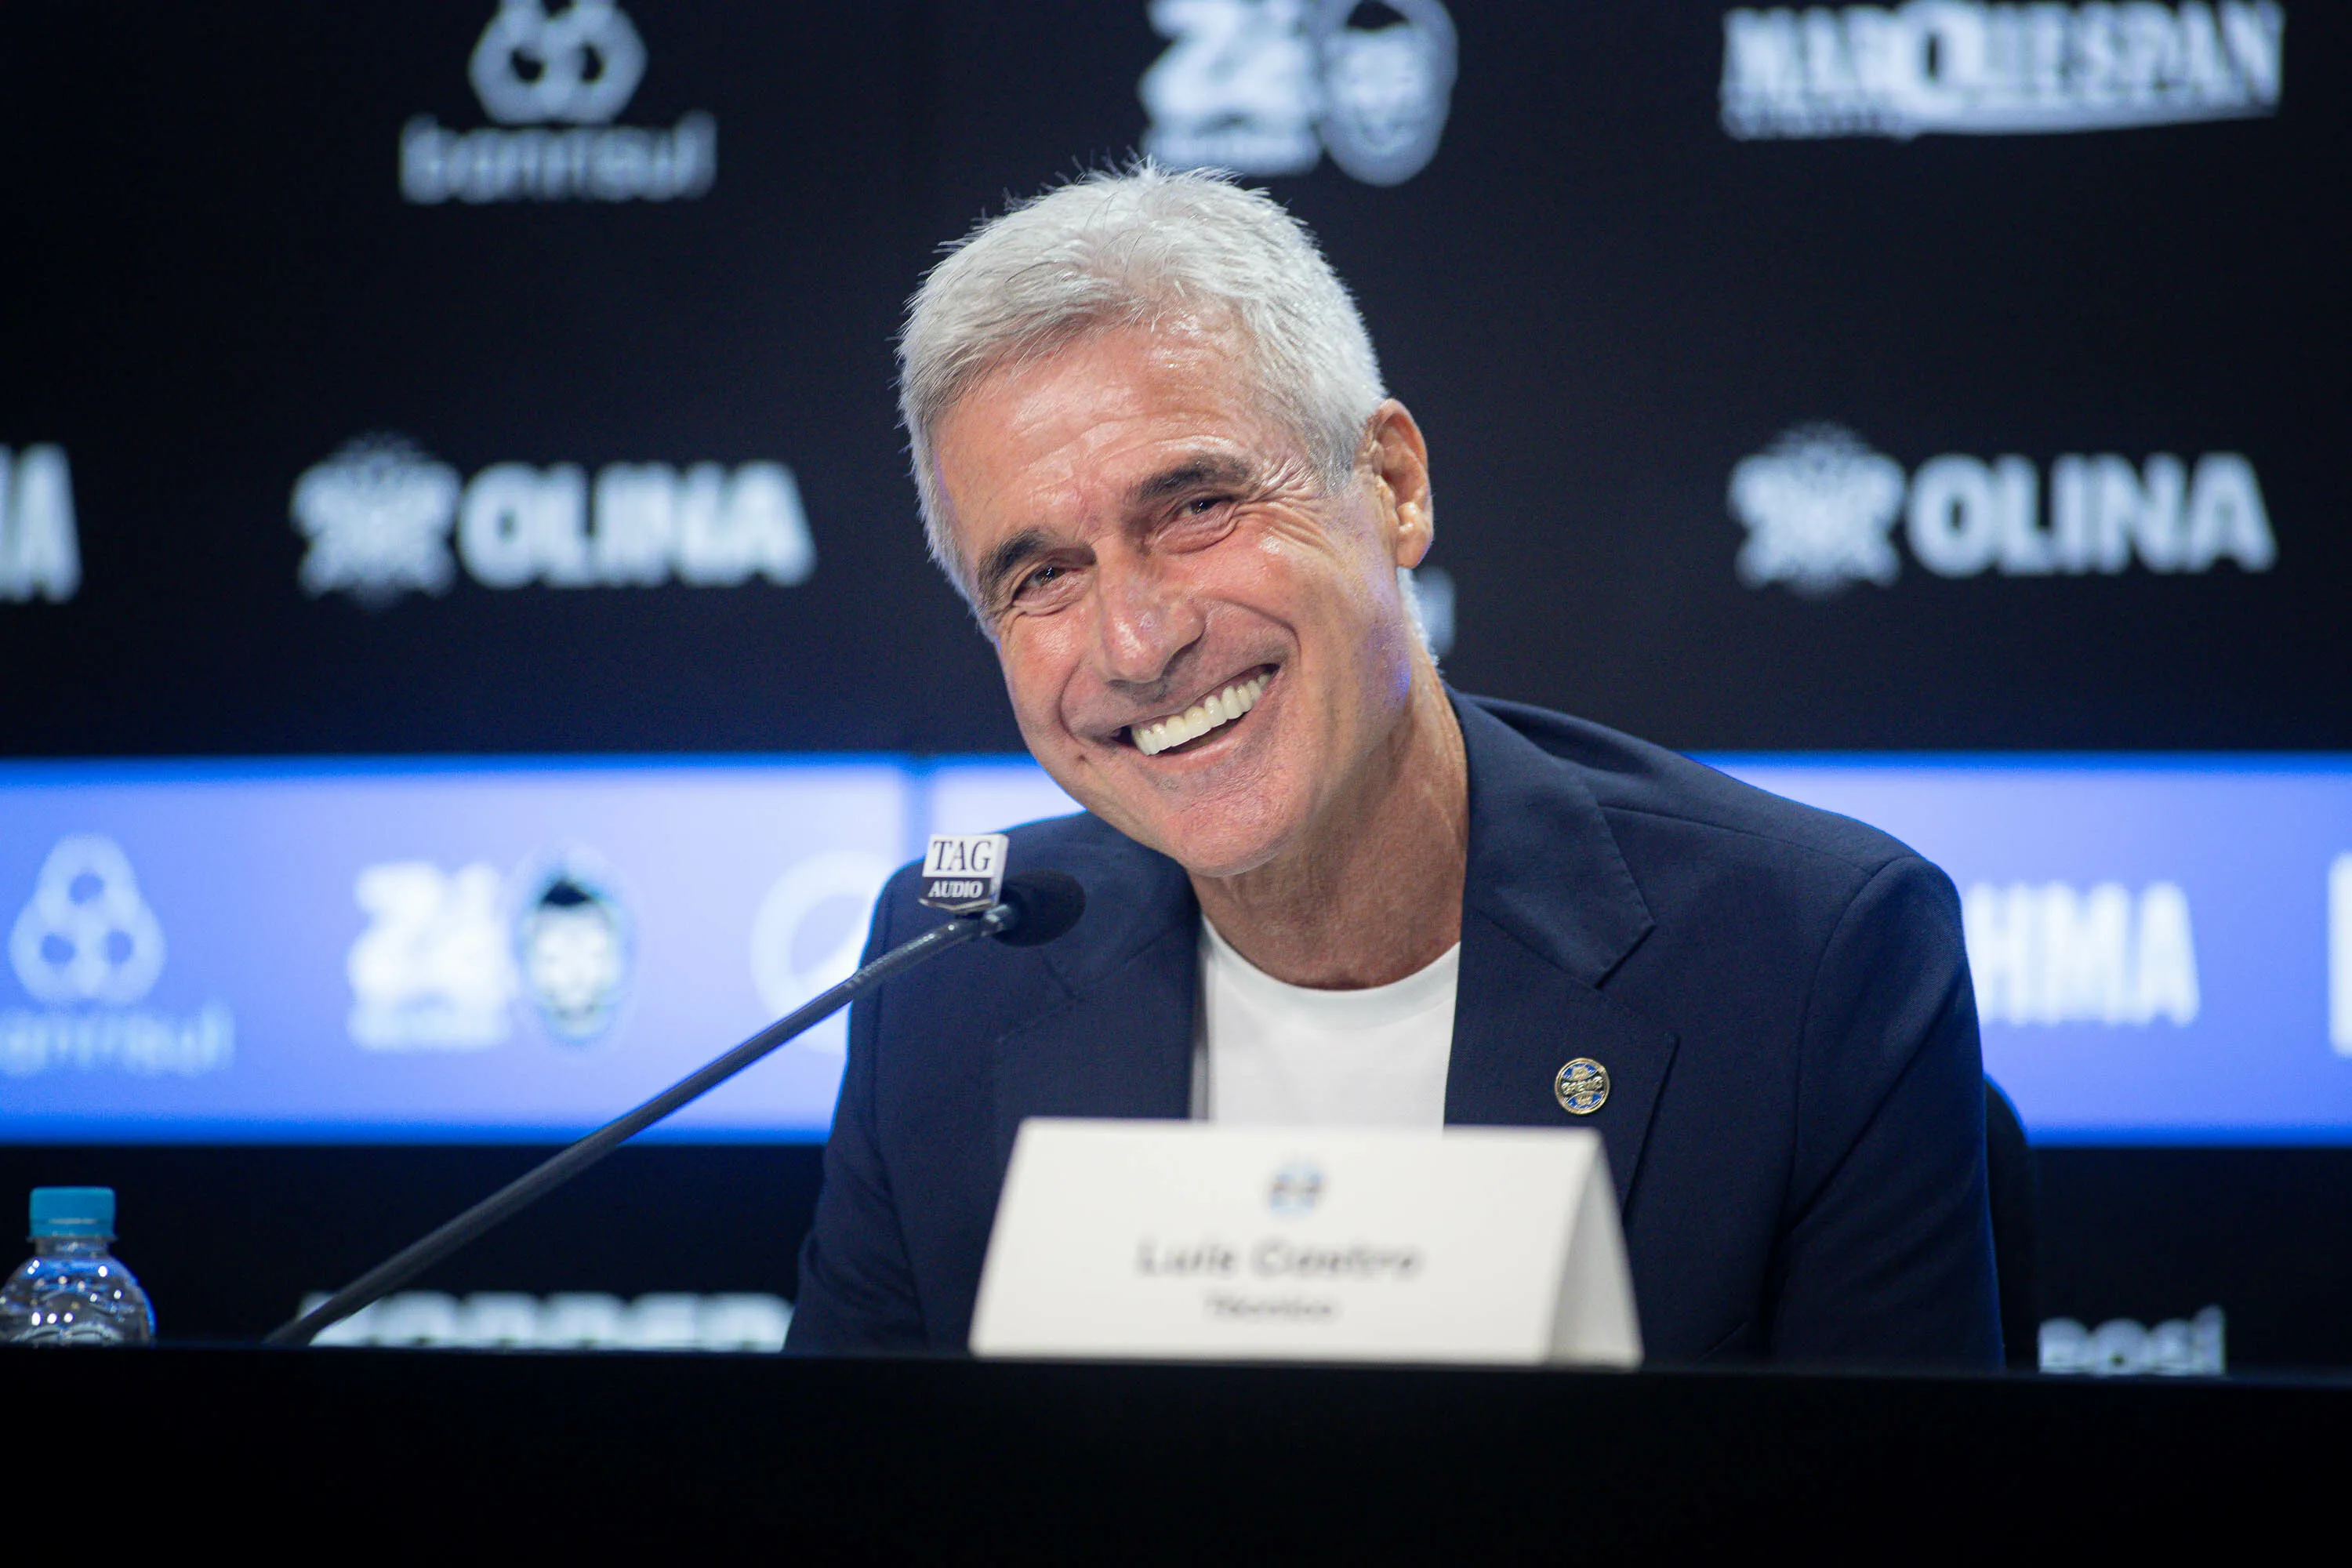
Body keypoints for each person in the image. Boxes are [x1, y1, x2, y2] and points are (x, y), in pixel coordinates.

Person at [787, 165, 2000, 1366]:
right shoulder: (945, 973)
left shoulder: (1807, 960)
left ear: (1394, 485)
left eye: (1198, 504)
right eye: (1041, 576)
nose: (1137, 642)